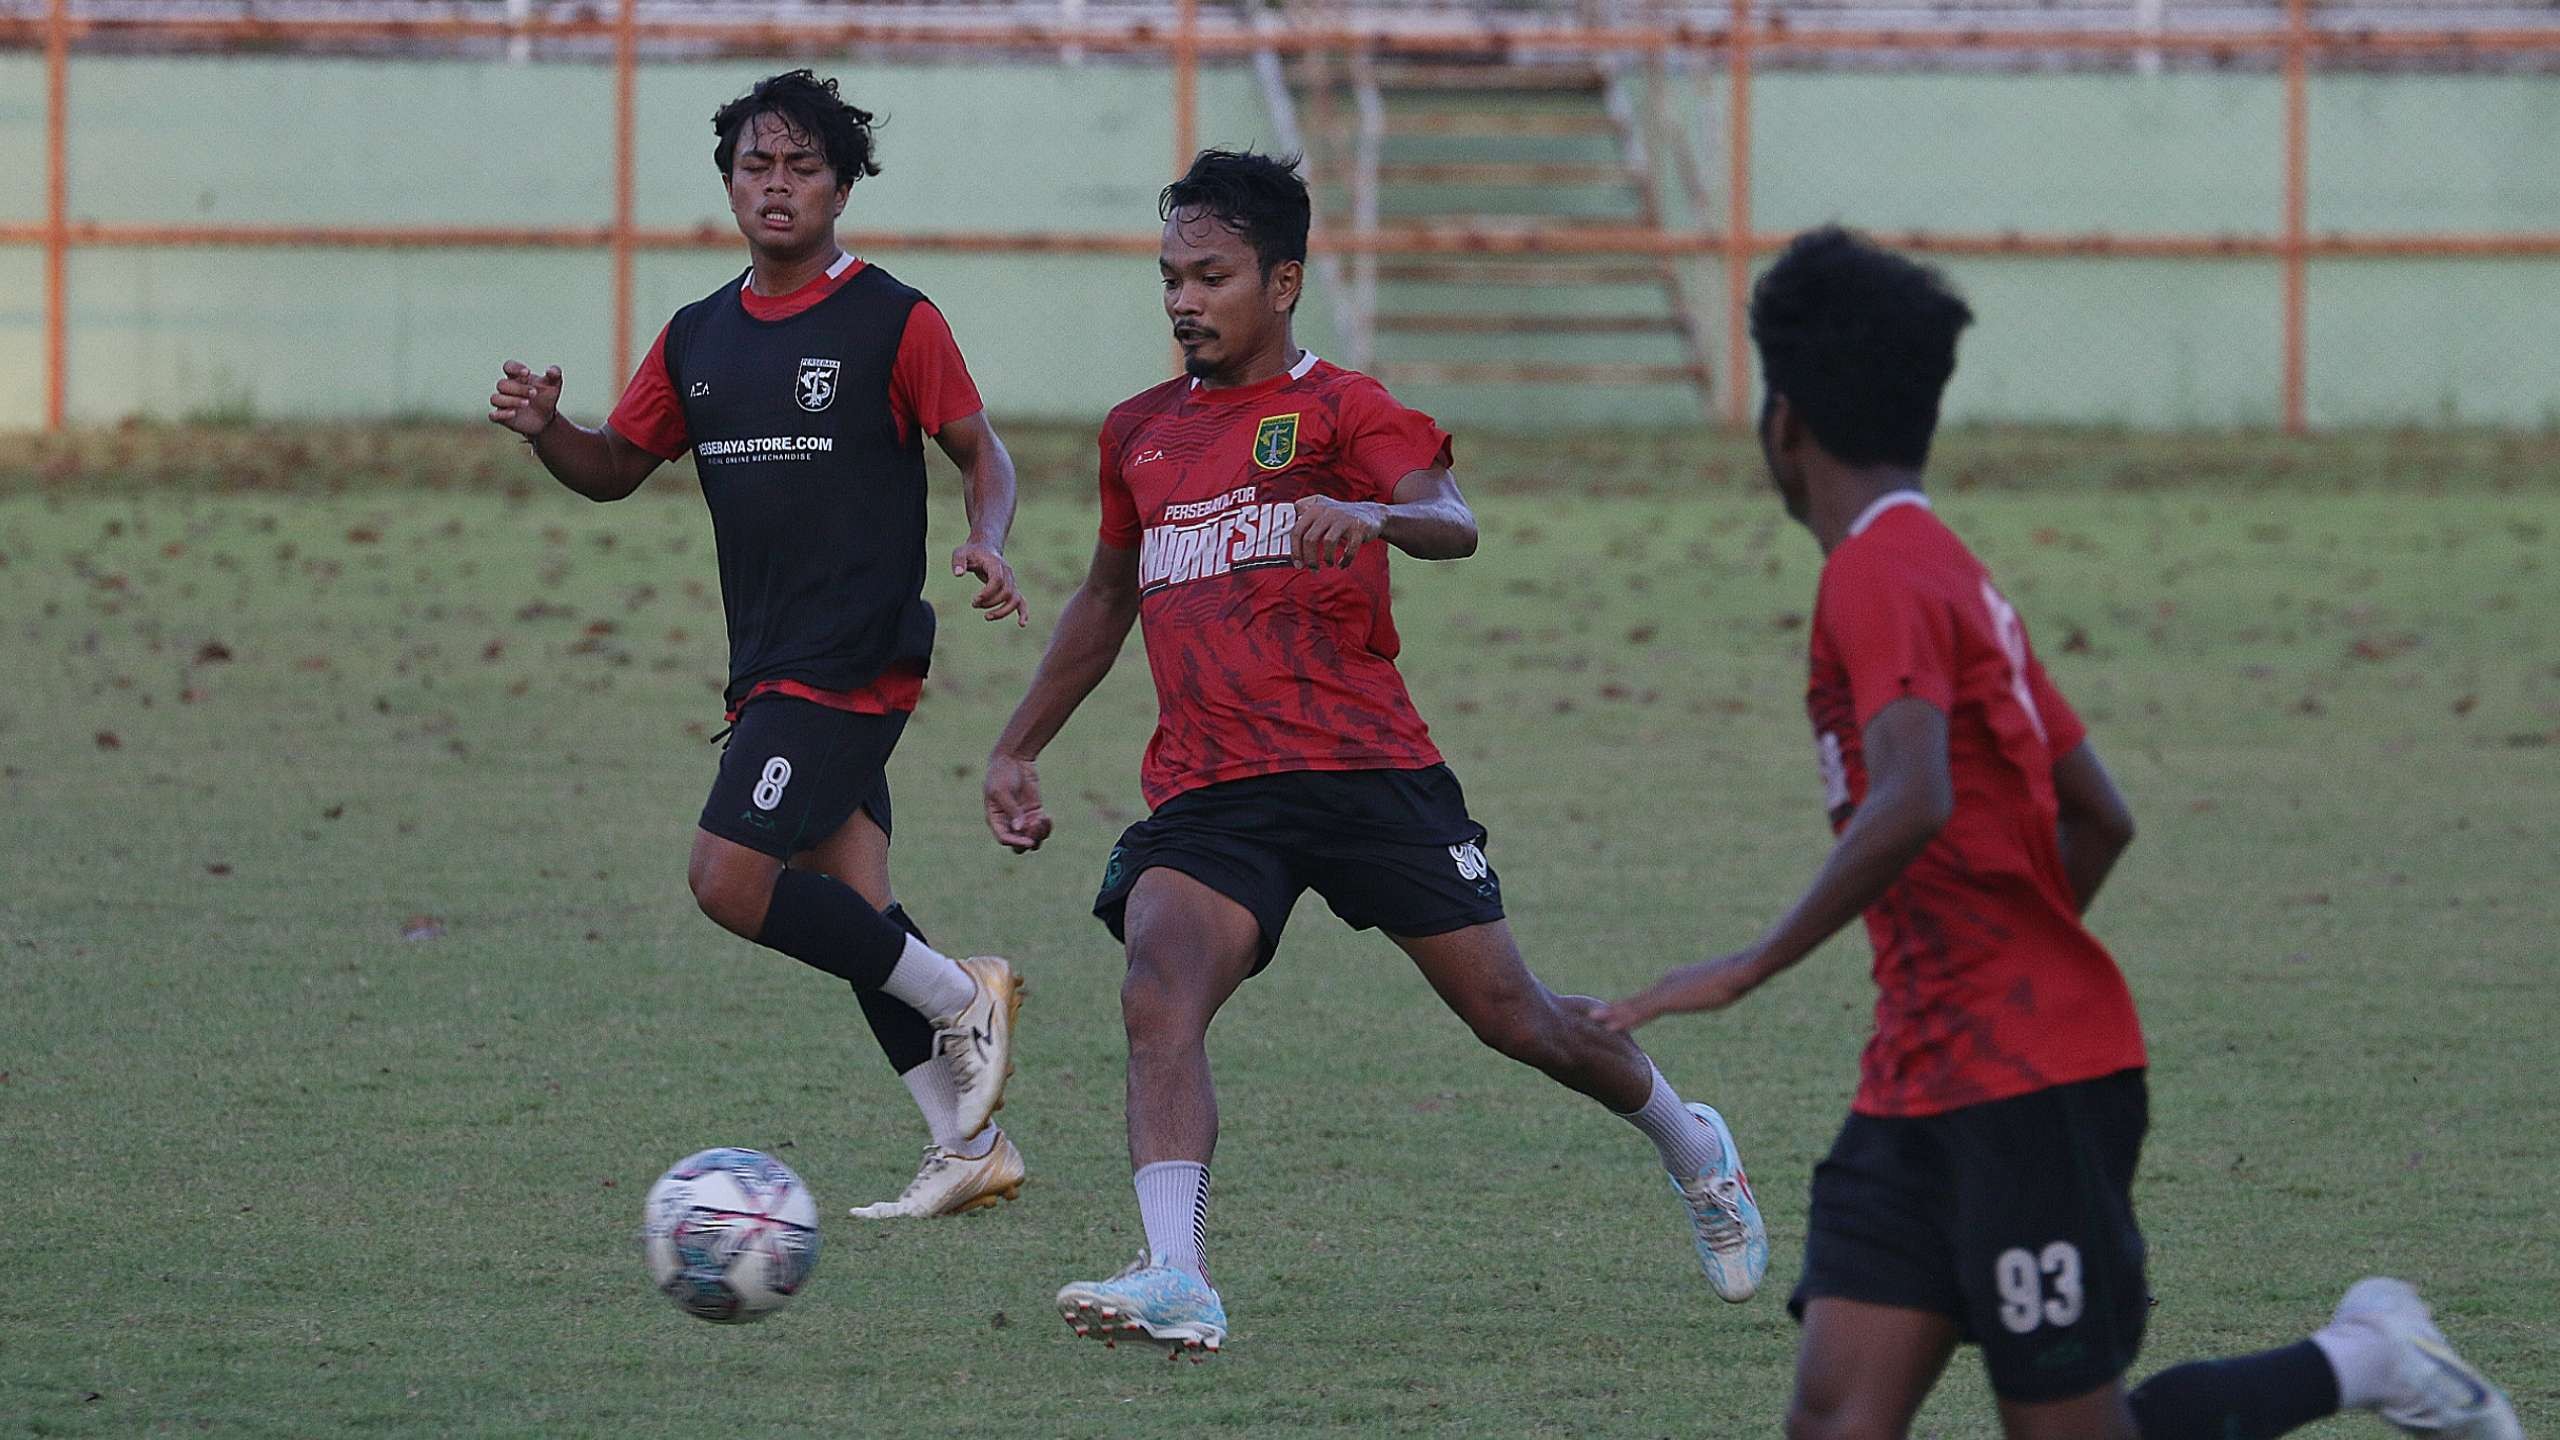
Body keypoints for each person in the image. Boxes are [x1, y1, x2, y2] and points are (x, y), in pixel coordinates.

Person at [1601, 226, 2519, 1440]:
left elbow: (1914, 792)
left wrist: (1749, 964)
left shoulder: (1875, 577)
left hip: (2029, 1087)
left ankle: (2363, 1358)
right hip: (1924, 1072)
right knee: (1833, 1422)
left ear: (1785, 425)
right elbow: (2100, 816)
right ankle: (2365, 1354)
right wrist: (1996, 953)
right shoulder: (1953, 571)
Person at [979, 148, 1768, 1361]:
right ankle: (1177, 1275)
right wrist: (1017, 744)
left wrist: (1374, 513)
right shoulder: (1138, 432)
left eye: (1213, 276)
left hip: (1364, 771)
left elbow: (1450, 521)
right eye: (1170, 277)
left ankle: (1687, 1139)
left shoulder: (1347, 409)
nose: (1185, 300)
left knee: (1517, 1020)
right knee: (1157, 987)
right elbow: (1107, 592)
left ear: (1282, 281)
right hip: (1211, 788)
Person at [486, 70, 1030, 1221]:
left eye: (800, 167)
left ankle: (962, 992)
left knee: (728, 878)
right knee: (853, 906)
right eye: (754, 166)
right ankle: (965, 1143)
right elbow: (614, 471)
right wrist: (549, 433)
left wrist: (988, 539)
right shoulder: (698, 336)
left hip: (852, 658)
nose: (775, 186)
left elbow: (984, 452)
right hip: (768, 666)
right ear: (729, 184)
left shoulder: (893, 316)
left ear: (842, 185)